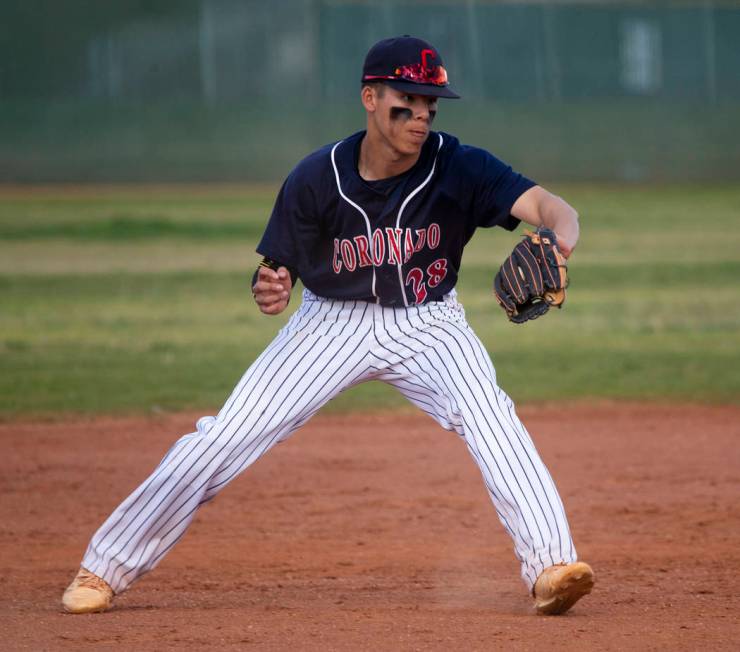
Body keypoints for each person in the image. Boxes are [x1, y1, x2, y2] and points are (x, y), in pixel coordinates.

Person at [62, 35, 594, 616]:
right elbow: (274, 272)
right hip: (329, 324)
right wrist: (271, 287)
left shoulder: (459, 164)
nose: (420, 114)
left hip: (430, 323)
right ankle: (103, 567)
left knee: (493, 421)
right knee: (226, 437)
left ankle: (551, 568)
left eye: (429, 103)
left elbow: (554, 208)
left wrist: (558, 240)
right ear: (370, 97)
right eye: (406, 100)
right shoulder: (317, 176)